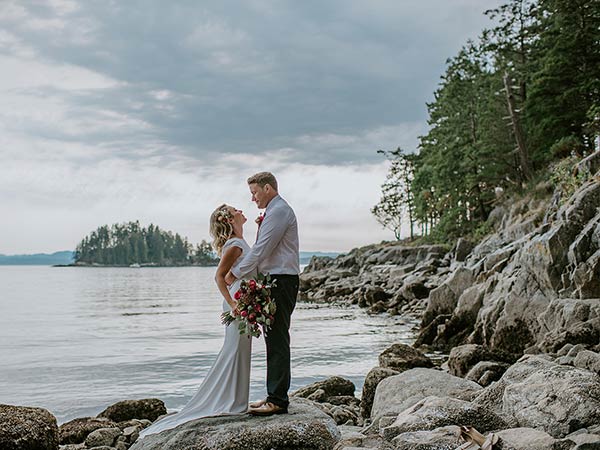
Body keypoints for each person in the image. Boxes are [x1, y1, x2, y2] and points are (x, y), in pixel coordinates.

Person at [138, 204, 254, 438]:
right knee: (234, 350)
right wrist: (233, 304)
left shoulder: (239, 242)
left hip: (244, 301)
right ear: (230, 220)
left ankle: (236, 400)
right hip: (237, 304)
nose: (241, 209)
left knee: (239, 350)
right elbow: (219, 277)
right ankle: (229, 401)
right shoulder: (234, 245)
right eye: (235, 209)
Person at [225, 171, 300, 416]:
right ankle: (273, 395)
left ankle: (278, 400)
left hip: (282, 280)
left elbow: (260, 251)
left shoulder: (279, 211)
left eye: (255, 192)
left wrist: (235, 273)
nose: (253, 198)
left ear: (268, 188)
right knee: (273, 336)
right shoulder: (274, 212)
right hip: (275, 280)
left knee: (277, 338)